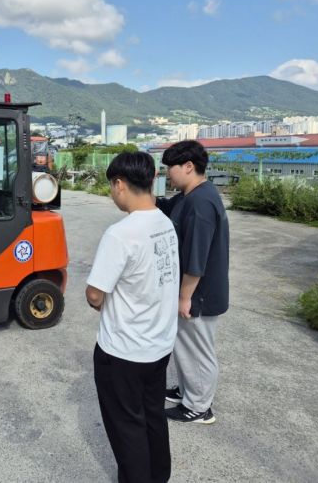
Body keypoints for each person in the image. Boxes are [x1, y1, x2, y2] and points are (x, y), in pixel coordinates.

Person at [86, 151, 179, 483]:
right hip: (159, 345)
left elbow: (95, 294)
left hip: (123, 351)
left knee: (127, 425)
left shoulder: (121, 233)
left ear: (120, 184)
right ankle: (158, 475)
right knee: (153, 415)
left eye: (112, 187)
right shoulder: (164, 223)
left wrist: (101, 301)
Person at [157, 140, 229, 425]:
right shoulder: (190, 195)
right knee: (184, 345)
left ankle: (199, 407)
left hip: (199, 293)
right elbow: (164, 206)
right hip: (193, 291)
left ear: (188, 166)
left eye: (169, 169)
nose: (167, 175)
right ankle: (188, 390)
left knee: (198, 350)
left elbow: (197, 259)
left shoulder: (201, 202)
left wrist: (185, 296)